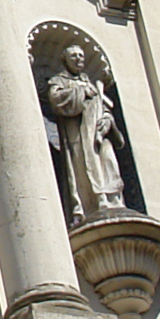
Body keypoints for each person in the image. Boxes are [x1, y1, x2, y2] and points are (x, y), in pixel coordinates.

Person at [44, 63, 132, 218]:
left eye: (81, 56)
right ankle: (92, 202)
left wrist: (107, 119)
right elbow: (56, 99)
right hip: (78, 135)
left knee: (108, 161)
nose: (78, 59)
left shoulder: (91, 84)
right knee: (84, 164)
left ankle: (114, 199)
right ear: (65, 60)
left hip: (98, 135)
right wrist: (80, 91)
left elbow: (103, 106)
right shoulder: (59, 81)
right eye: (74, 56)